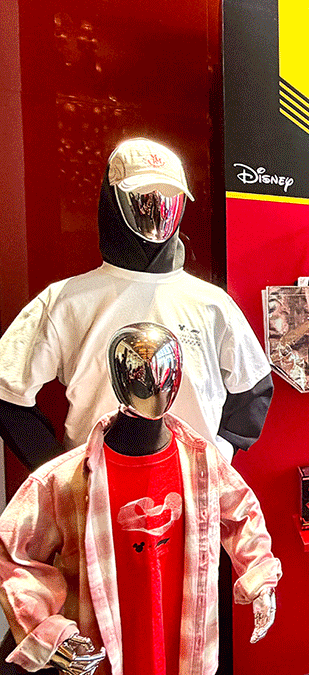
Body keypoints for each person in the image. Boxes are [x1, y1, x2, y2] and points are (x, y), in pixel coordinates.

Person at [0, 323, 280, 675]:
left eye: (166, 371)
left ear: (178, 378)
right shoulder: (62, 480)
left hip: (186, 647)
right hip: (104, 649)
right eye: (139, 371)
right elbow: (12, 554)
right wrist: (48, 632)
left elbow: (243, 514)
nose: (155, 383)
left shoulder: (203, 464)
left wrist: (259, 576)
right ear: (119, 379)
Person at [0, 138, 273, 469]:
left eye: (168, 199)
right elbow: (6, 392)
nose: (156, 211)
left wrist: (220, 454)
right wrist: (59, 472)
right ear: (112, 202)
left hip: (194, 485)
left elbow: (254, 388)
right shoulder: (66, 301)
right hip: (98, 487)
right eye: (142, 199)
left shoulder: (213, 305)